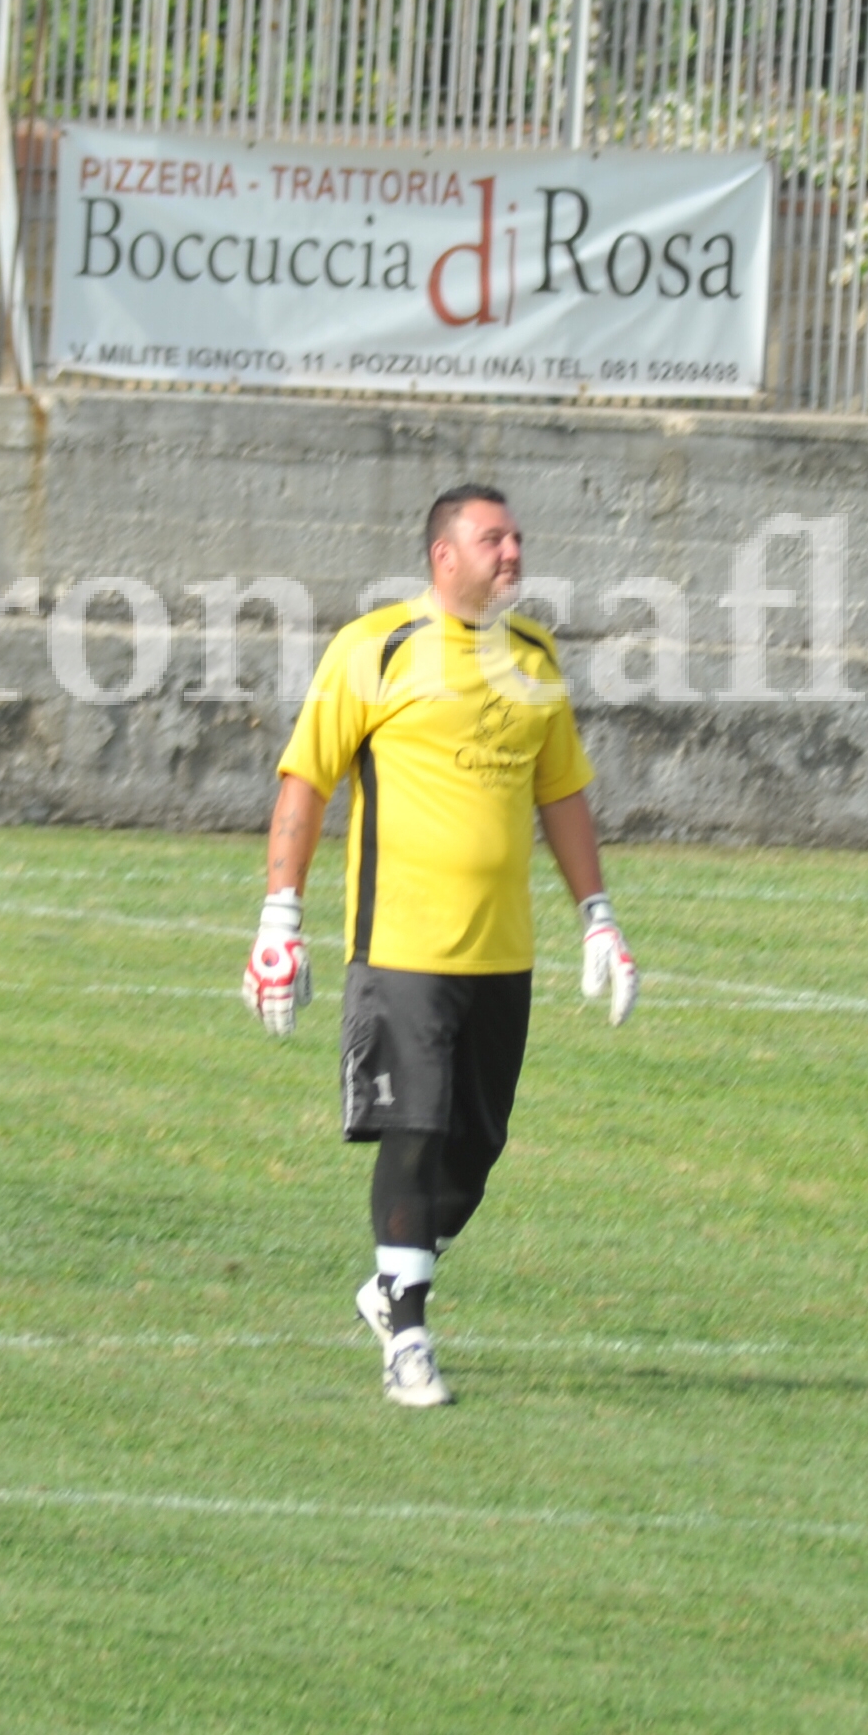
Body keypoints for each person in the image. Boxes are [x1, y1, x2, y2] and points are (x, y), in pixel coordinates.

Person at [242, 483, 641, 1408]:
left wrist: (600, 917)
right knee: (412, 1130)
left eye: (517, 538)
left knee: (477, 1146)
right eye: (492, 539)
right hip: (402, 947)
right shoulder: (374, 648)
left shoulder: (536, 658)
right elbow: (306, 785)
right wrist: (279, 920)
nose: (512, 553)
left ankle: (391, 1279)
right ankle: (409, 1333)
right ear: (443, 555)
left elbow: (562, 797)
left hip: (503, 952)